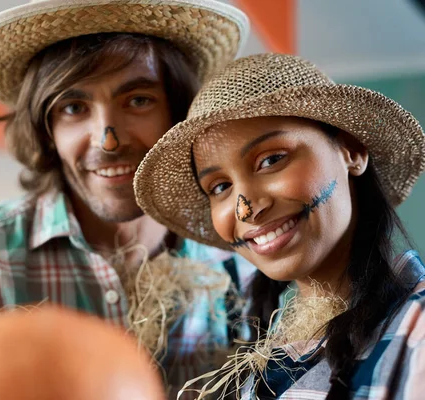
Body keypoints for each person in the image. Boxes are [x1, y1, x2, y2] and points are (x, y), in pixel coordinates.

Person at [0, 0, 252, 397]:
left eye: (138, 100)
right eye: (74, 108)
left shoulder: (238, 262)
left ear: (178, 113)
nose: (108, 139)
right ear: (46, 131)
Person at [134, 53, 425, 399]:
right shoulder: (263, 359)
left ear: (352, 151)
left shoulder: (416, 332)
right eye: (220, 187)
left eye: (271, 160)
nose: (246, 209)